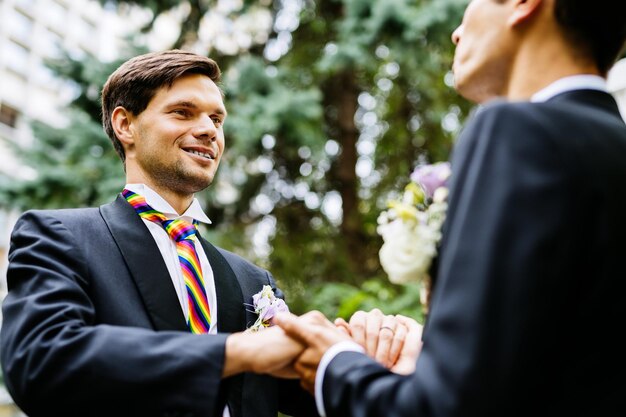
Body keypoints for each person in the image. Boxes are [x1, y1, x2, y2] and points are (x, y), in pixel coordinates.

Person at [0, 50, 403, 417]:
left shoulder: (251, 280)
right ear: (126, 125)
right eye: (183, 112)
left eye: (216, 118)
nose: (209, 129)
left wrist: (363, 354)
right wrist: (237, 350)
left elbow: (302, 390)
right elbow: (41, 361)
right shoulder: (61, 236)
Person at [273, 0, 626, 416]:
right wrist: (432, 357)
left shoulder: (514, 131)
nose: (457, 32)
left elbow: (452, 406)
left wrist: (335, 362)